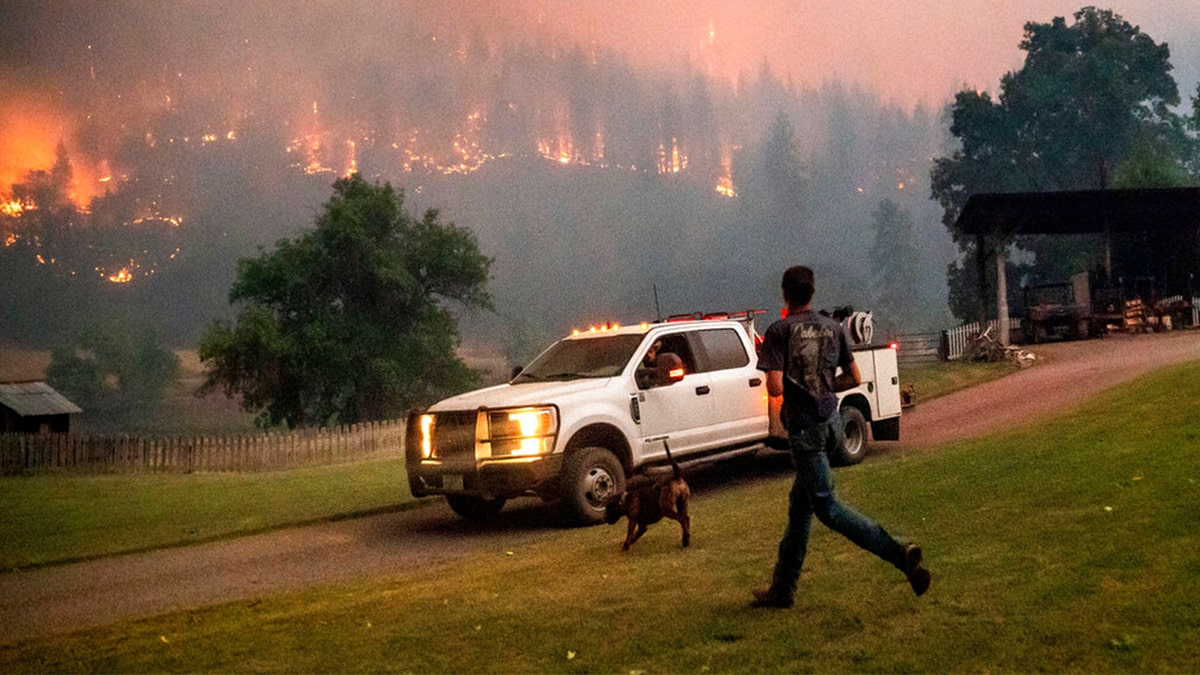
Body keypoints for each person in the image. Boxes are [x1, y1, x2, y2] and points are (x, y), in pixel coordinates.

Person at [751, 265, 930, 609]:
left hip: (805, 432)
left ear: (785, 294)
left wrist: (794, 389)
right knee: (799, 509)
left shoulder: (779, 331)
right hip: (832, 423)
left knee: (828, 509)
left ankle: (899, 553)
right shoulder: (834, 328)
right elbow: (855, 376)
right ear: (812, 292)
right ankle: (782, 590)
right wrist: (822, 385)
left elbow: (774, 386)